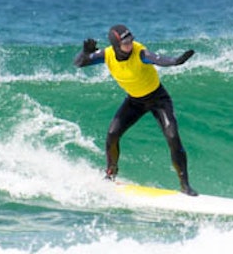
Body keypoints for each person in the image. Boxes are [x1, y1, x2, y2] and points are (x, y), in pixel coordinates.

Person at [73, 24, 198, 195]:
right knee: (112, 134)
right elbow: (79, 64)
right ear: (116, 45)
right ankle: (110, 174)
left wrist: (176, 61)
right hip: (134, 101)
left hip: (158, 100)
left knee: (173, 137)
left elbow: (157, 59)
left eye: (131, 40)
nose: (130, 45)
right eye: (125, 42)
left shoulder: (140, 53)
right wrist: (85, 53)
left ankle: (185, 185)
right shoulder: (107, 54)